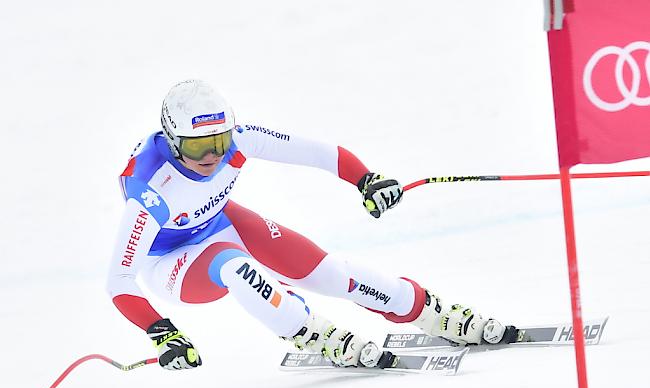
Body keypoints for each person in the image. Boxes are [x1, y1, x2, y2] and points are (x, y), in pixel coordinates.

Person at [107, 79, 508, 371]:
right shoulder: (151, 188)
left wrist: (366, 179)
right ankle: (309, 330)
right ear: (174, 140)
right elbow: (120, 280)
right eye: (199, 146)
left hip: (218, 221)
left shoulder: (239, 139)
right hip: (173, 264)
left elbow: (317, 152)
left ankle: (424, 309)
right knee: (233, 265)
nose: (214, 154)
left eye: (222, 141)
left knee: (328, 272)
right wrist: (162, 331)